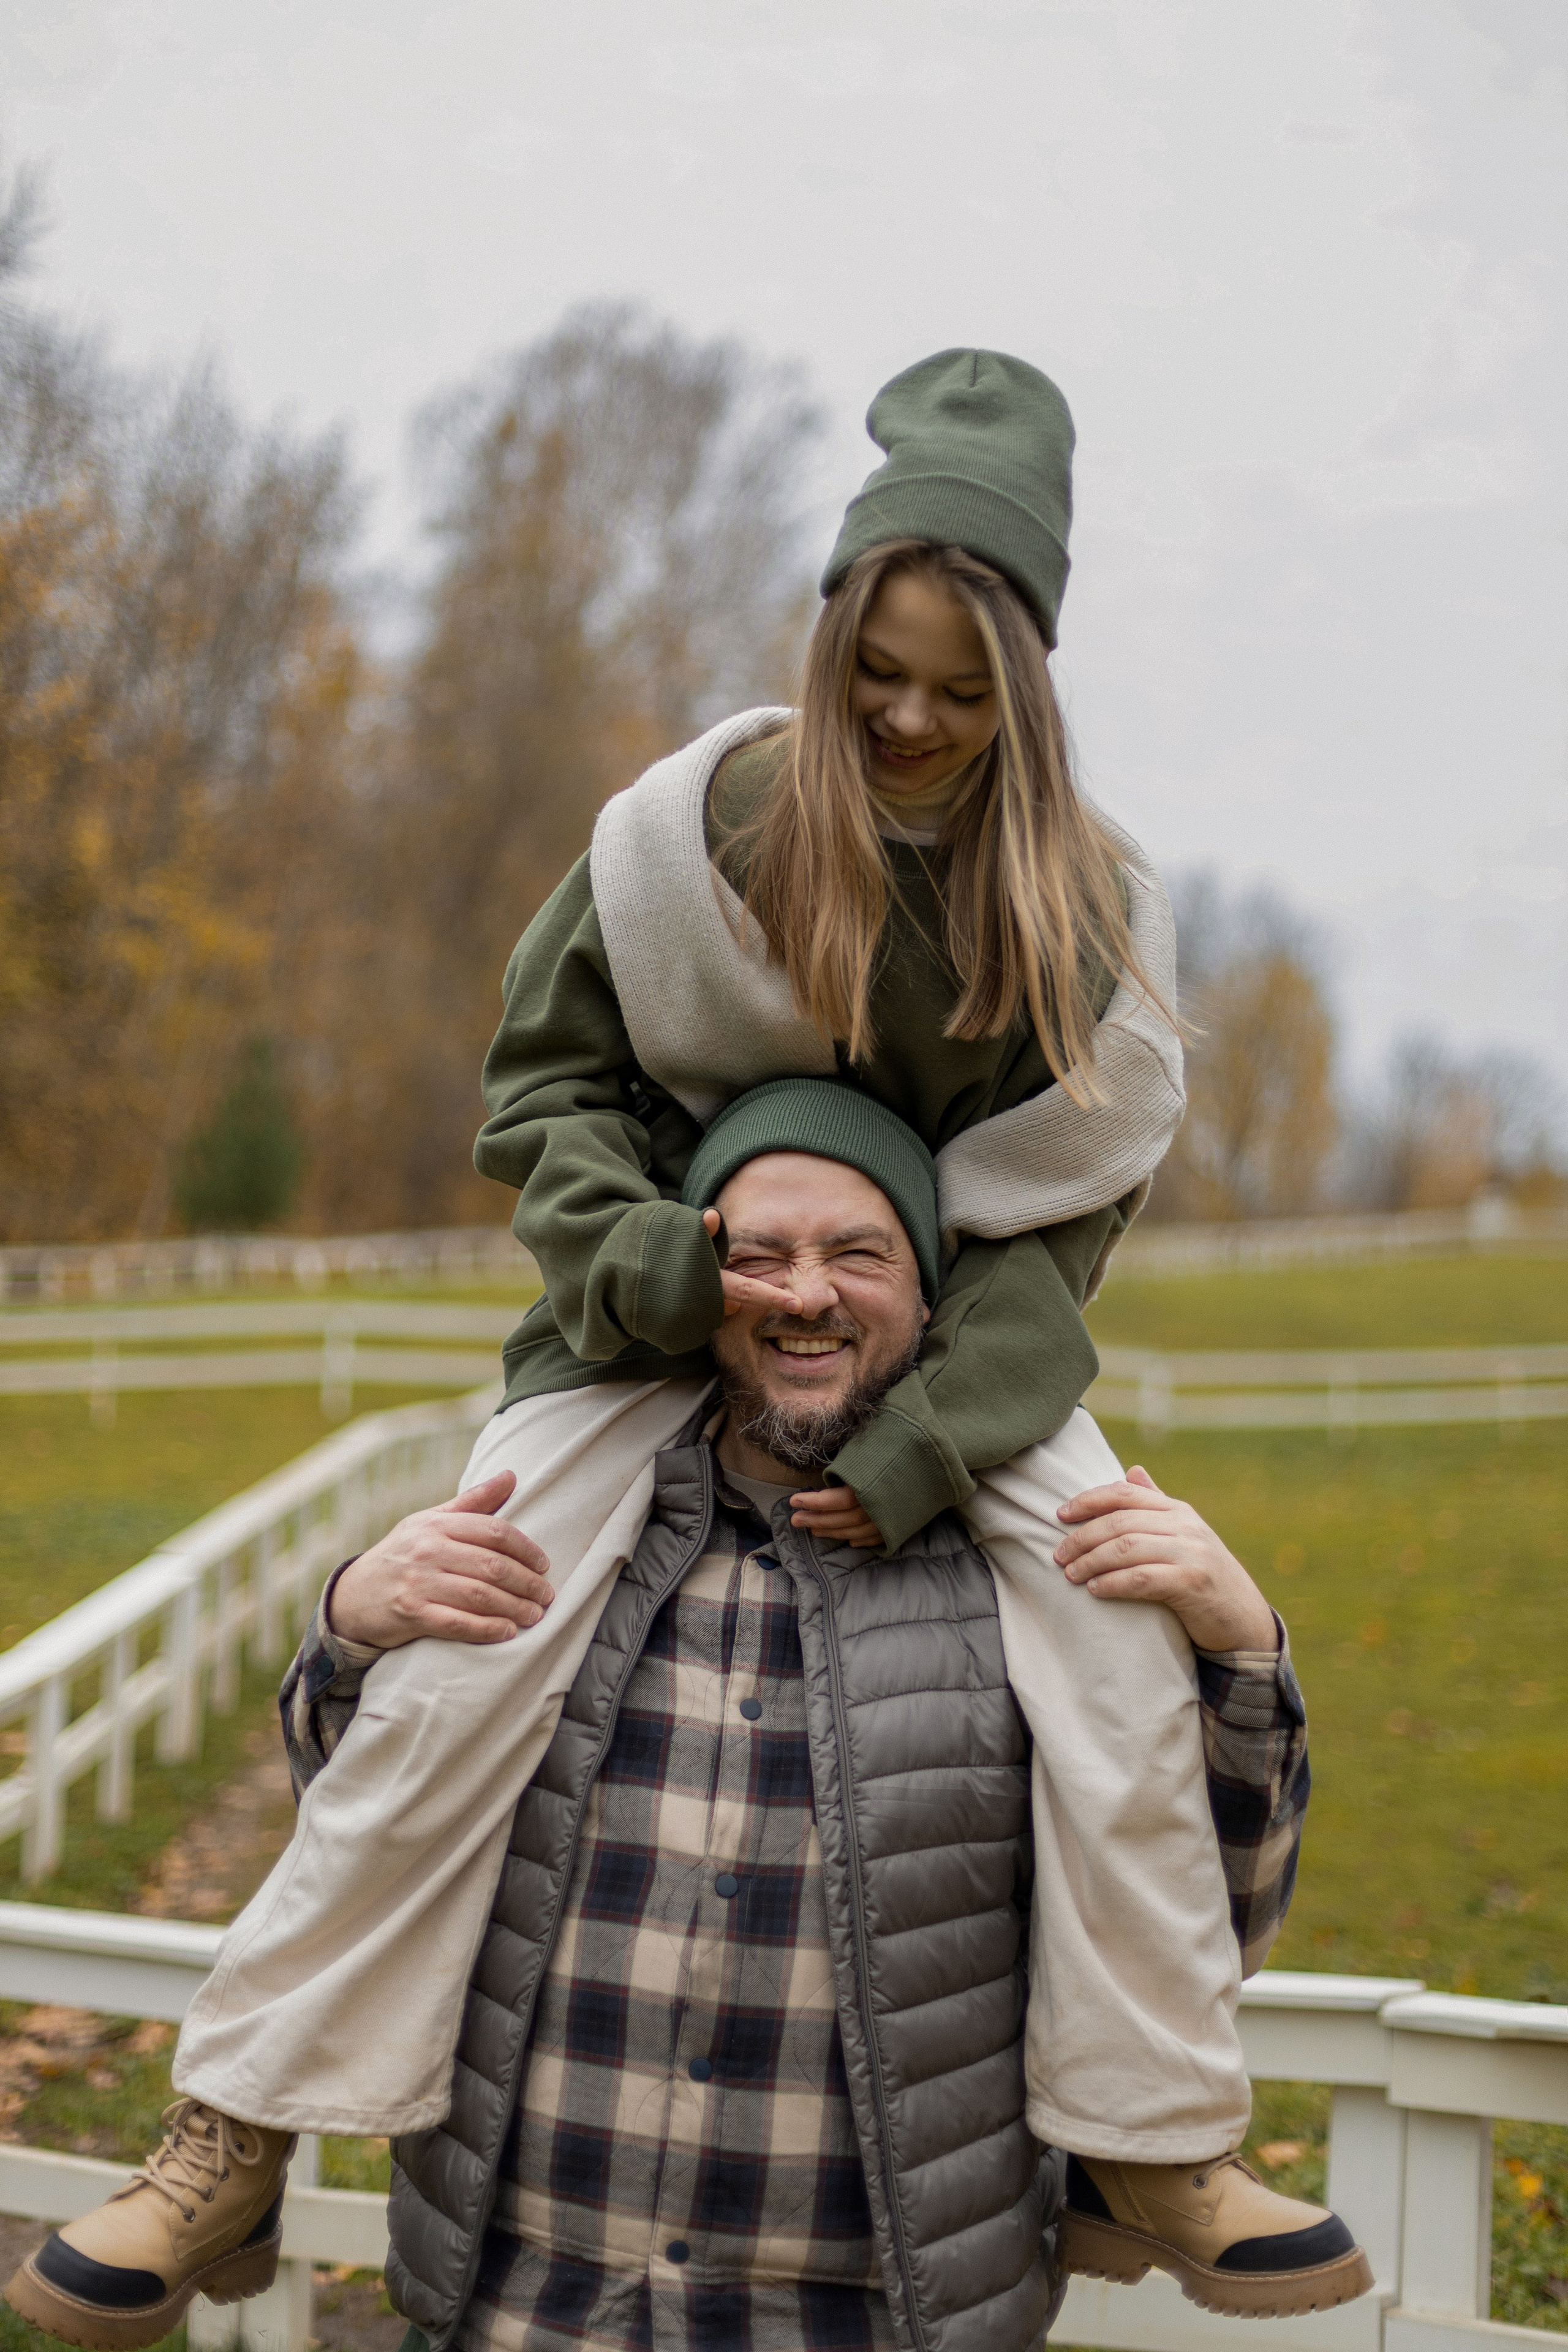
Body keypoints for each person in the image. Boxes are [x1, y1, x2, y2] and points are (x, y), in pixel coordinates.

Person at [7, 352, 1351, 2341]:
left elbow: (1058, 1226)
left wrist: (924, 1453)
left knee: (1106, 1636)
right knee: (466, 1651)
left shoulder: (1077, 915)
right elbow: (542, 1081)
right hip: (643, 1301)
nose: (909, 721)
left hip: (957, 1346)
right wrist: (652, 1266)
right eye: (880, 669)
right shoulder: (689, 831)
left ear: (1033, 684)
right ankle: (233, 2131)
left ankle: (1153, 2130)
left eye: (963, 693)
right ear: (829, 632)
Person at [11, 1099, 1369, 2352]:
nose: (805, 1293)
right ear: (687, 1284)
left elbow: (1216, 1909)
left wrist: (1238, 1647)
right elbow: (354, 1826)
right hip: (519, 2299)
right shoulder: (559, 1538)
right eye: (758, 1254)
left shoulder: (1037, 1580)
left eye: (858, 1254)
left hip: (868, 2314)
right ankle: (229, 2145)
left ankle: (1152, 2159)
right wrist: (357, 1623)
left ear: (931, 1293)